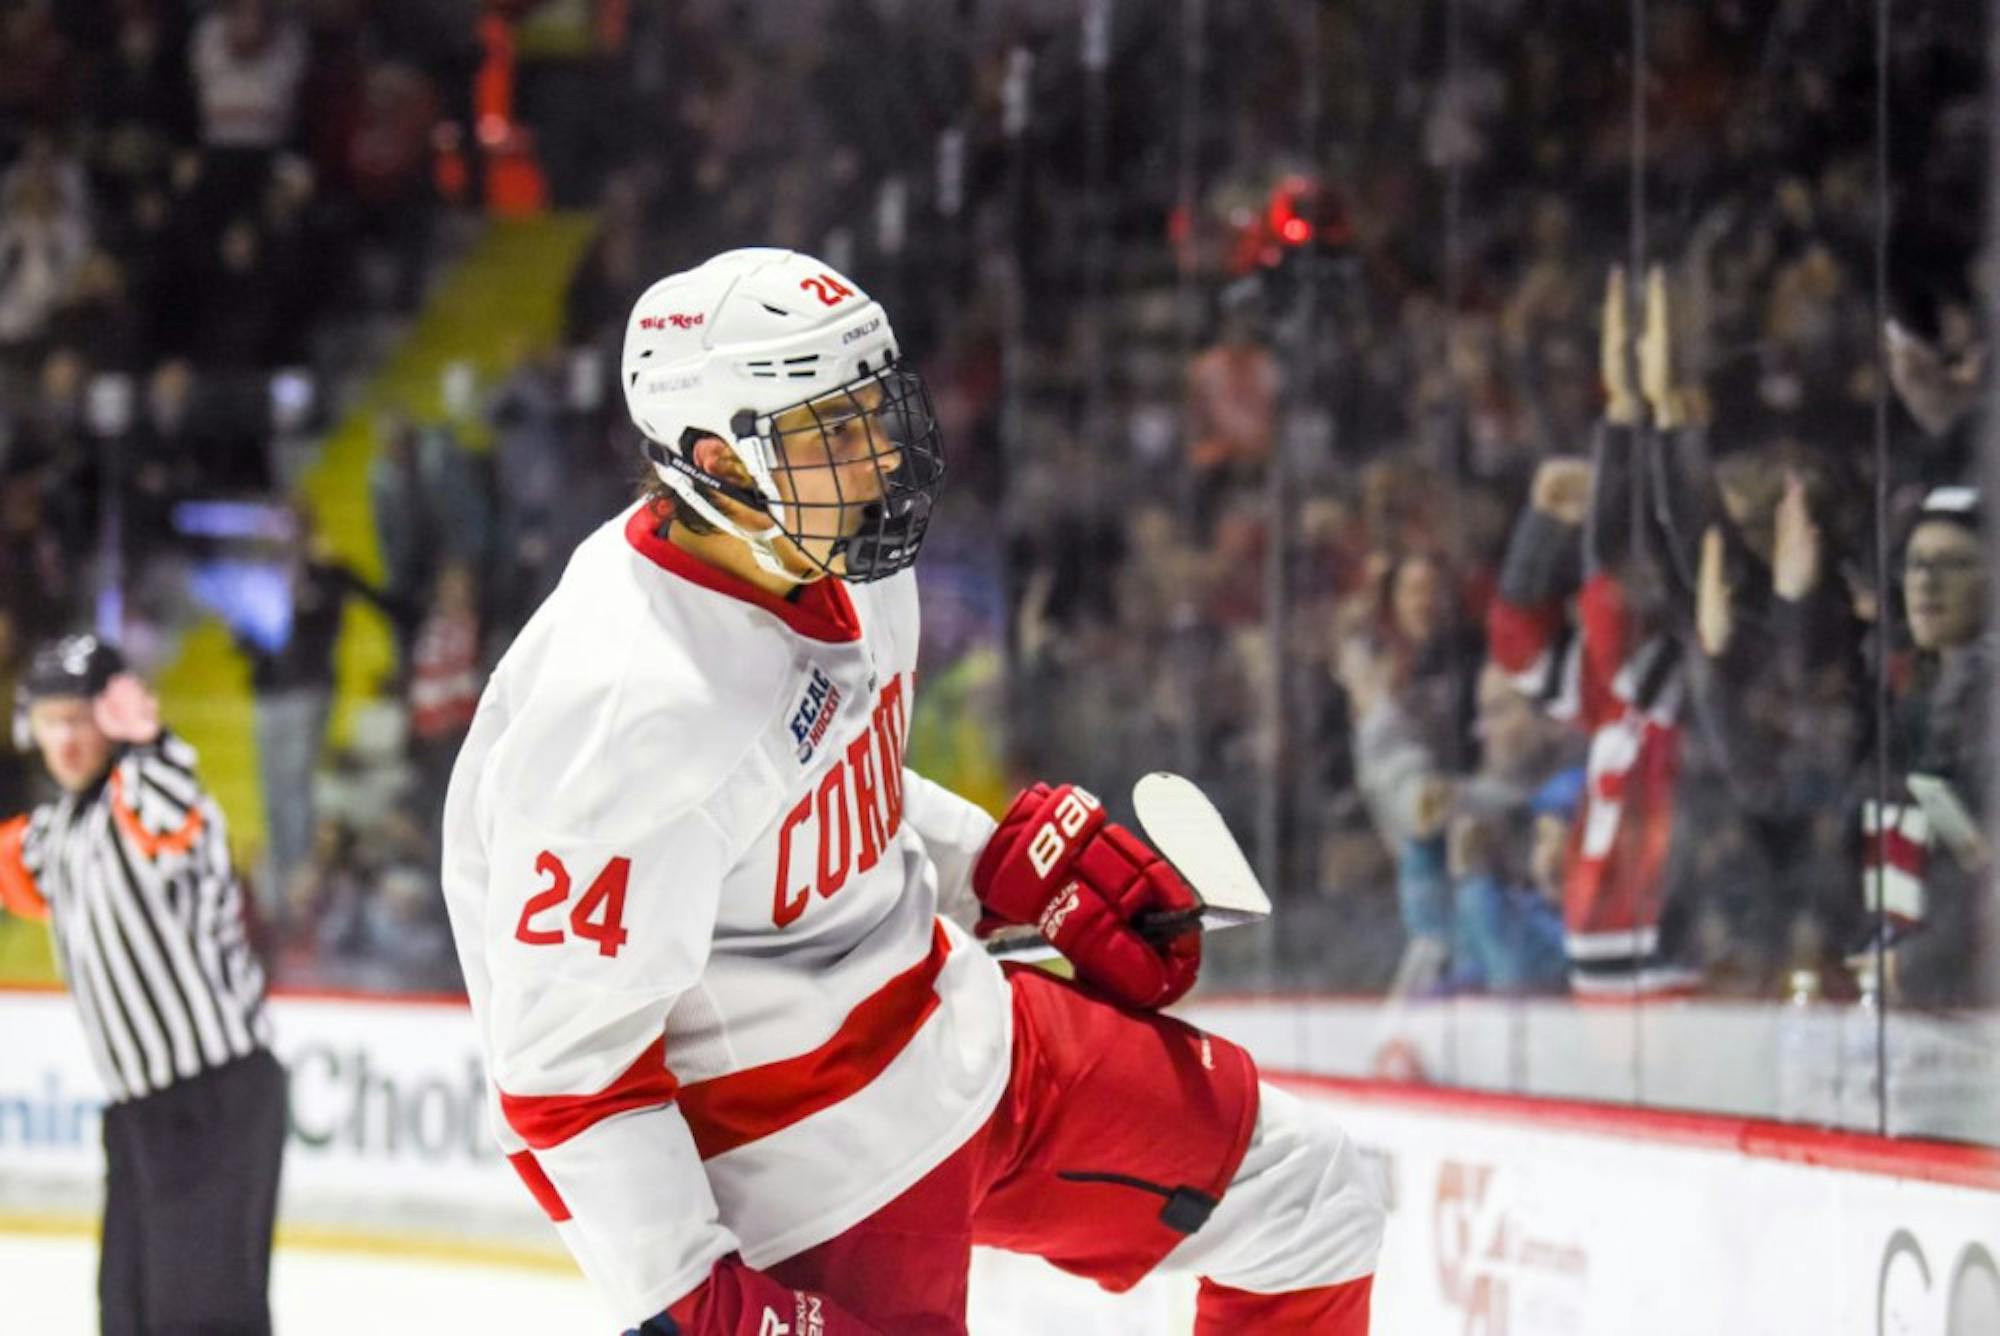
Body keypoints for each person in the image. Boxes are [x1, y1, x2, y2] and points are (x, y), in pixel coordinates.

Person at [441, 249, 1384, 1335]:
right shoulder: (623, 710)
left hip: (951, 1021)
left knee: (1308, 1196)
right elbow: (565, 1072)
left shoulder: (838, 544)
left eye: (874, 413)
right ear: (713, 459)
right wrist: (687, 1302)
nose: (877, 455)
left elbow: (827, 774)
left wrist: (992, 866)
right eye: (829, 434)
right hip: (801, 1161)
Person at [0, 635, 285, 1336]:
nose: (66, 738)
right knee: (127, 1314)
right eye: (51, 720)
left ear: (114, 719)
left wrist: (150, 738)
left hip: (212, 1101)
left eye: (81, 718)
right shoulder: (62, 829)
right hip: (139, 1115)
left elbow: (172, 808)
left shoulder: (143, 798)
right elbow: (14, 863)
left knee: (201, 1320)